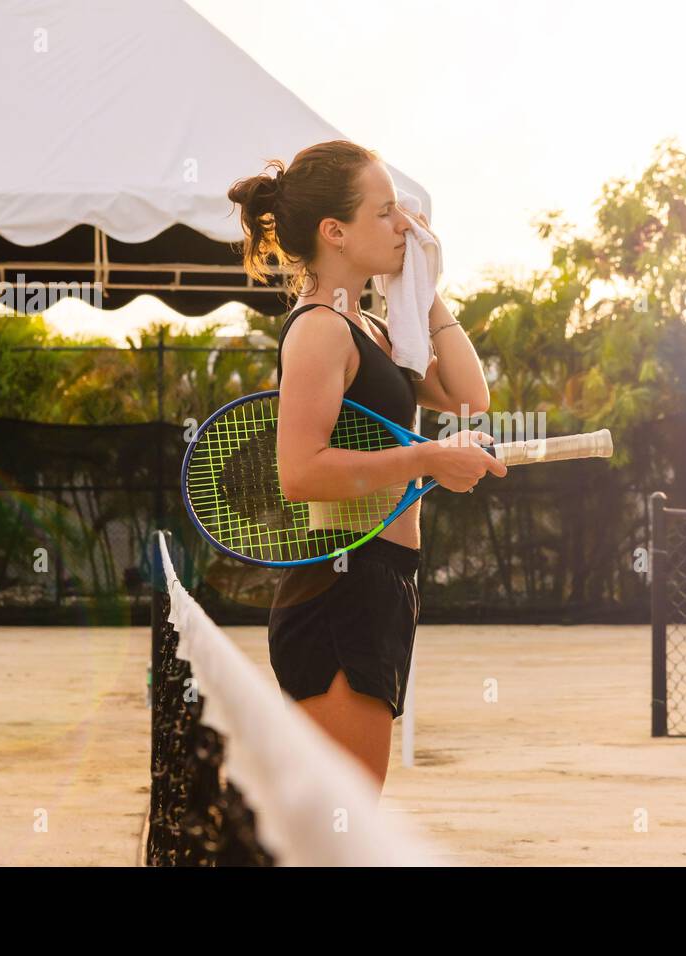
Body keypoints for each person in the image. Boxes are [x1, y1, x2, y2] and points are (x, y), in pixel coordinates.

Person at [227, 140, 507, 793]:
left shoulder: (374, 331)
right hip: (339, 589)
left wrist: (427, 293)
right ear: (336, 233)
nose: (404, 227)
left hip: (380, 581)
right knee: (342, 833)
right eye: (385, 213)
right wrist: (429, 457)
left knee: (340, 830)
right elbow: (300, 472)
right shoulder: (321, 329)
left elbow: (470, 396)